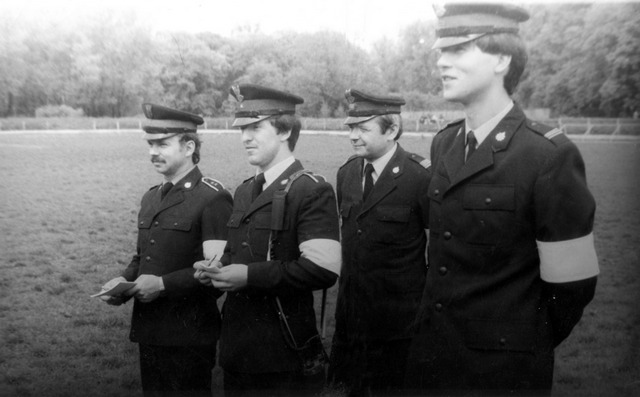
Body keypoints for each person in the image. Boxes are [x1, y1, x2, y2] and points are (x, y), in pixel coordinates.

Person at [405, 3, 600, 394]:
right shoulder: (446, 142)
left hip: (502, 375)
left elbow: (573, 285)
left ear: (502, 59)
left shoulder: (547, 155)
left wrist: (519, 342)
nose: (441, 62)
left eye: (457, 50)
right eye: (441, 51)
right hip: (432, 361)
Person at [194, 83, 341, 396]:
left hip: (282, 355)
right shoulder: (246, 190)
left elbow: (323, 270)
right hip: (237, 351)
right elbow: (238, 252)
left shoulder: (311, 190)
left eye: (255, 127)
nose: (245, 137)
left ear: (285, 131)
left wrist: (247, 276)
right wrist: (216, 269)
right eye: (242, 129)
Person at [100, 103, 233, 397]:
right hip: (150, 329)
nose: (153, 152)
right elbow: (142, 258)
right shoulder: (151, 198)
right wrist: (122, 284)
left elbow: (217, 273)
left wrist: (162, 285)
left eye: (162, 144)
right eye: (150, 144)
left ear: (188, 147)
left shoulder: (212, 198)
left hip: (189, 335)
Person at [327, 89, 431, 396]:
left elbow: (439, 251)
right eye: (350, 127)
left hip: (399, 326)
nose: (353, 136)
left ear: (392, 129)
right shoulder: (346, 173)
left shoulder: (419, 177)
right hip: (350, 323)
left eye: (363, 128)